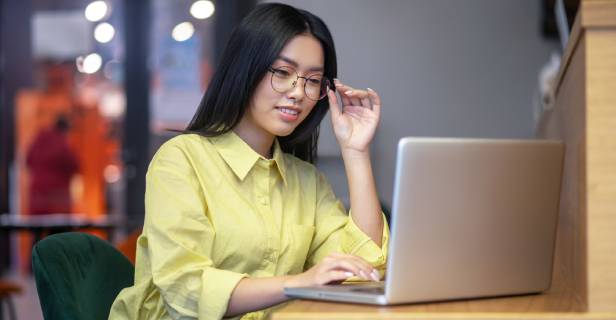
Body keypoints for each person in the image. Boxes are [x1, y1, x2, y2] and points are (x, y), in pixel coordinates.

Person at [109, 3, 389, 320]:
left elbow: (362, 268)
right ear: (246, 68)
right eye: (283, 73)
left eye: (313, 80)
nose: (299, 92)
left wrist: (355, 151)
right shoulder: (182, 160)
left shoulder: (306, 182)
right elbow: (185, 287)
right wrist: (297, 283)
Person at [26, 114, 79, 215]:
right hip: (57, 198)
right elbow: (74, 166)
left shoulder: (39, 138)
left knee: (37, 227)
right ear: (65, 129)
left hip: (37, 196)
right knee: (59, 229)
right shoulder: (62, 144)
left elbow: (28, 160)